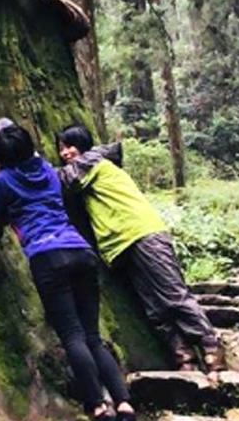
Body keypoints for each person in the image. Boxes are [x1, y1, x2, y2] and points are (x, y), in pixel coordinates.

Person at [0, 118, 136, 421]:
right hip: (81, 251)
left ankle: (100, 413)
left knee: (72, 336)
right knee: (92, 337)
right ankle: (125, 407)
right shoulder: (46, 169)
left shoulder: (2, 182)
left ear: (0, 156)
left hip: (48, 256)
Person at [55, 124, 223, 373]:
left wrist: (32, 166)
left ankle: (210, 345)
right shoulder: (90, 163)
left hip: (142, 233)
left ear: (83, 145)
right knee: (153, 307)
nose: (65, 152)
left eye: (70, 146)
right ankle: (182, 355)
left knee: (173, 295)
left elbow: (64, 179)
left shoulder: (92, 163)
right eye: (61, 148)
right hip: (118, 244)